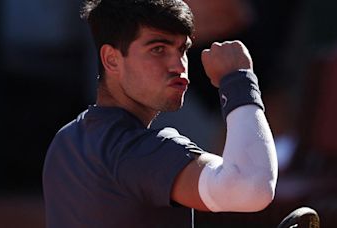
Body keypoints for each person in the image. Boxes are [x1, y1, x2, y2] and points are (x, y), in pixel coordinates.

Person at [42, 0, 278, 227]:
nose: (179, 66)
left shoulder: (65, 140)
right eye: (158, 49)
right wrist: (238, 80)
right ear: (111, 59)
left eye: (183, 50)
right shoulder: (141, 150)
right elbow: (250, 186)